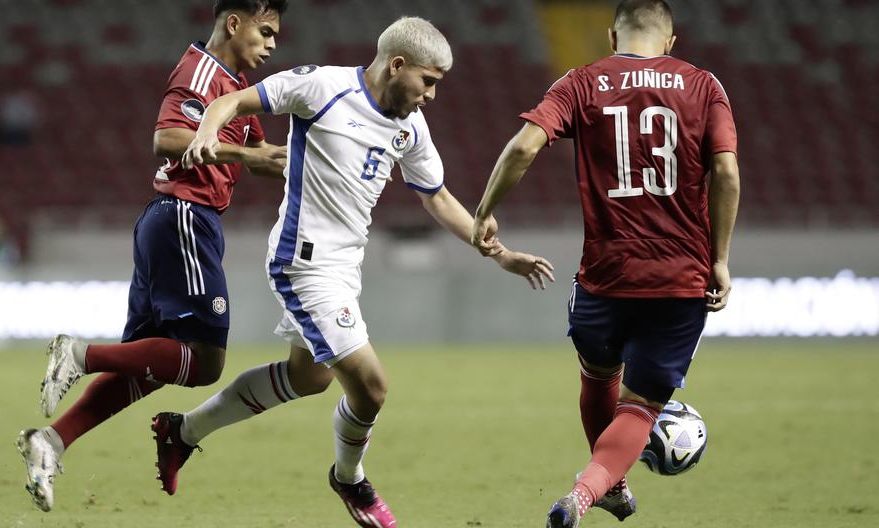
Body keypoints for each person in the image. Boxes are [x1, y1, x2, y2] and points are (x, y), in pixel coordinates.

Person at [155, 16, 555, 527]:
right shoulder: (322, 86)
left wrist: (498, 253)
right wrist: (208, 131)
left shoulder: (410, 126)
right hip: (303, 262)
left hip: (345, 267)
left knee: (309, 378)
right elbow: (230, 101)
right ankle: (350, 478)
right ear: (397, 64)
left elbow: (437, 198)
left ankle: (182, 432)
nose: (431, 95)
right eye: (428, 81)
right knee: (371, 387)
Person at [470, 1, 740, 526]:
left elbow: (524, 147)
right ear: (671, 41)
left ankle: (611, 485)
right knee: (640, 406)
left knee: (598, 376)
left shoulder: (581, 82)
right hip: (679, 277)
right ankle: (585, 493)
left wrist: (485, 211)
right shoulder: (704, 85)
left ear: (612, 33)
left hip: (604, 275)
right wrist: (721, 259)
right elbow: (726, 173)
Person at [16, 0, 289, 512]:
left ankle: (50, 441)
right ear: (235, 23)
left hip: (175, 222)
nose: (273, 43)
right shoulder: (202, 71)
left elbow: (265, 157)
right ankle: (79, 354)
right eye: (267, 30)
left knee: (149, 366)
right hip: (184, 217)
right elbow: (167, 137)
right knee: (205, 363)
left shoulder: (236, 89)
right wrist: (245, 154)